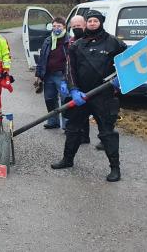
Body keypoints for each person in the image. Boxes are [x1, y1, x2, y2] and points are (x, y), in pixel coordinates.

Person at [51, 10, 127, 182]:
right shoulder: (77, 45)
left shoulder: (113, 43)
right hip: (82, 95)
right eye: (90, 21)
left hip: (103, 95)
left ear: (101, 22)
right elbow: (70, 69)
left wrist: (118, 79)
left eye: (95, 21)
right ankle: (67, 159)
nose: (92, 23)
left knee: (107, 133)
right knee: (73, 129)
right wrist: (73, 90)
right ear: (86, 24)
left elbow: (127, 62)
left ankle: (115, 168)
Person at [61, 15, 100, 145]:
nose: (77, 28)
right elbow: (68, 63)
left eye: (79, 26)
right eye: (74, 27)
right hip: (75, 83)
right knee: (79, 111)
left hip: (93, 83)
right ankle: (82, 136)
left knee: (99, 113)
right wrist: (65, 81)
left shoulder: (91, 40)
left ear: (85, 25)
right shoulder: (71, 41)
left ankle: (103, 139)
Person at [35, 16, 69, 129]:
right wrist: (38, 75)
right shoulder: (48, 40)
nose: (56, 28)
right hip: (48, 74)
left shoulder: (69, 41)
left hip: (62, 75)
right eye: (54, 26)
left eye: (58, 26)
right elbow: (42, 58)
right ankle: (53, 121)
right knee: (49, 99)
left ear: (64, 27)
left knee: (65, 100)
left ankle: (67, 124)